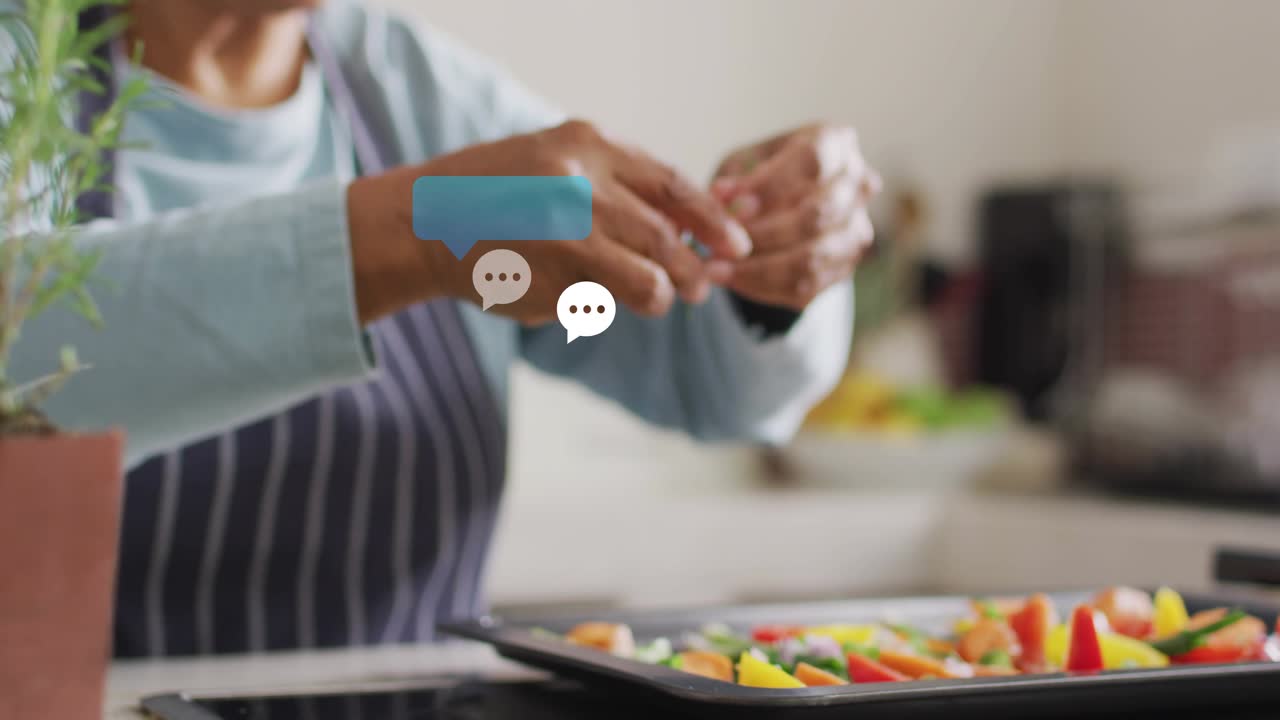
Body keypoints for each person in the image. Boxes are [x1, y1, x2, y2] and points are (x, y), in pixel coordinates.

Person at [8, 0, 878, 657]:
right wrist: (410, 232)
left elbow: (701, 370)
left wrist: (766, 253)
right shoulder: (27, 68)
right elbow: (23, 366)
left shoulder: (417, 93)